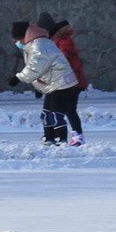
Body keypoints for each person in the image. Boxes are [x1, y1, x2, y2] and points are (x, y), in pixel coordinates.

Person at [8, 20, 79, 146]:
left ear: (24, 35)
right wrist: (39, 87)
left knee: (56, 115)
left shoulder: (40, 45)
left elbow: (36, 67)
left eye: (19, 39)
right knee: (46, 115)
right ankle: (49, 138)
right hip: (52, 84)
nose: (18, 43)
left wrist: (18, 78)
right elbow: (42, 69)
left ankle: (60, 140)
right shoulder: (33, 44)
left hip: (62, 84)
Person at [37, 12, 88, 146]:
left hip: (72, 82)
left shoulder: (63, 41)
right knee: (59, 109)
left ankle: (77, 136)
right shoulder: (55, 42)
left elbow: (63, 60)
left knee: (68, 109)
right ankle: (54, 137)